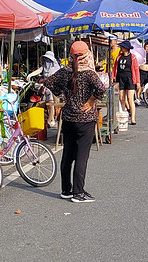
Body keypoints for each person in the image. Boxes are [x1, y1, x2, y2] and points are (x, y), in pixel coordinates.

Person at [41, 40, 107, 203]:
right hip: (85, 120)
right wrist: (91, 101)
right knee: (81, 156)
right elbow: (101, 89)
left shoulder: (64, 71)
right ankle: (78, 193)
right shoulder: (89, 73)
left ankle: (66, 190)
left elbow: (48, 82)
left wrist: (63, 93)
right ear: (86, 55)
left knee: (68, 155)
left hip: (68, 118)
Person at [115, 40, 140, 125]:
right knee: (121, 98)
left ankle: (133, 118)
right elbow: (115, 68)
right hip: (120, 78)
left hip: (130, 79)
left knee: (130, 99)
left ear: (126, 48)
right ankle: (122, 115)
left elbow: (136, 70)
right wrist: (113, 78)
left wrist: (137, 82)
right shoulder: (119, 57)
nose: (121, 48)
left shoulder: (132, 57)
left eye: (122, 47)